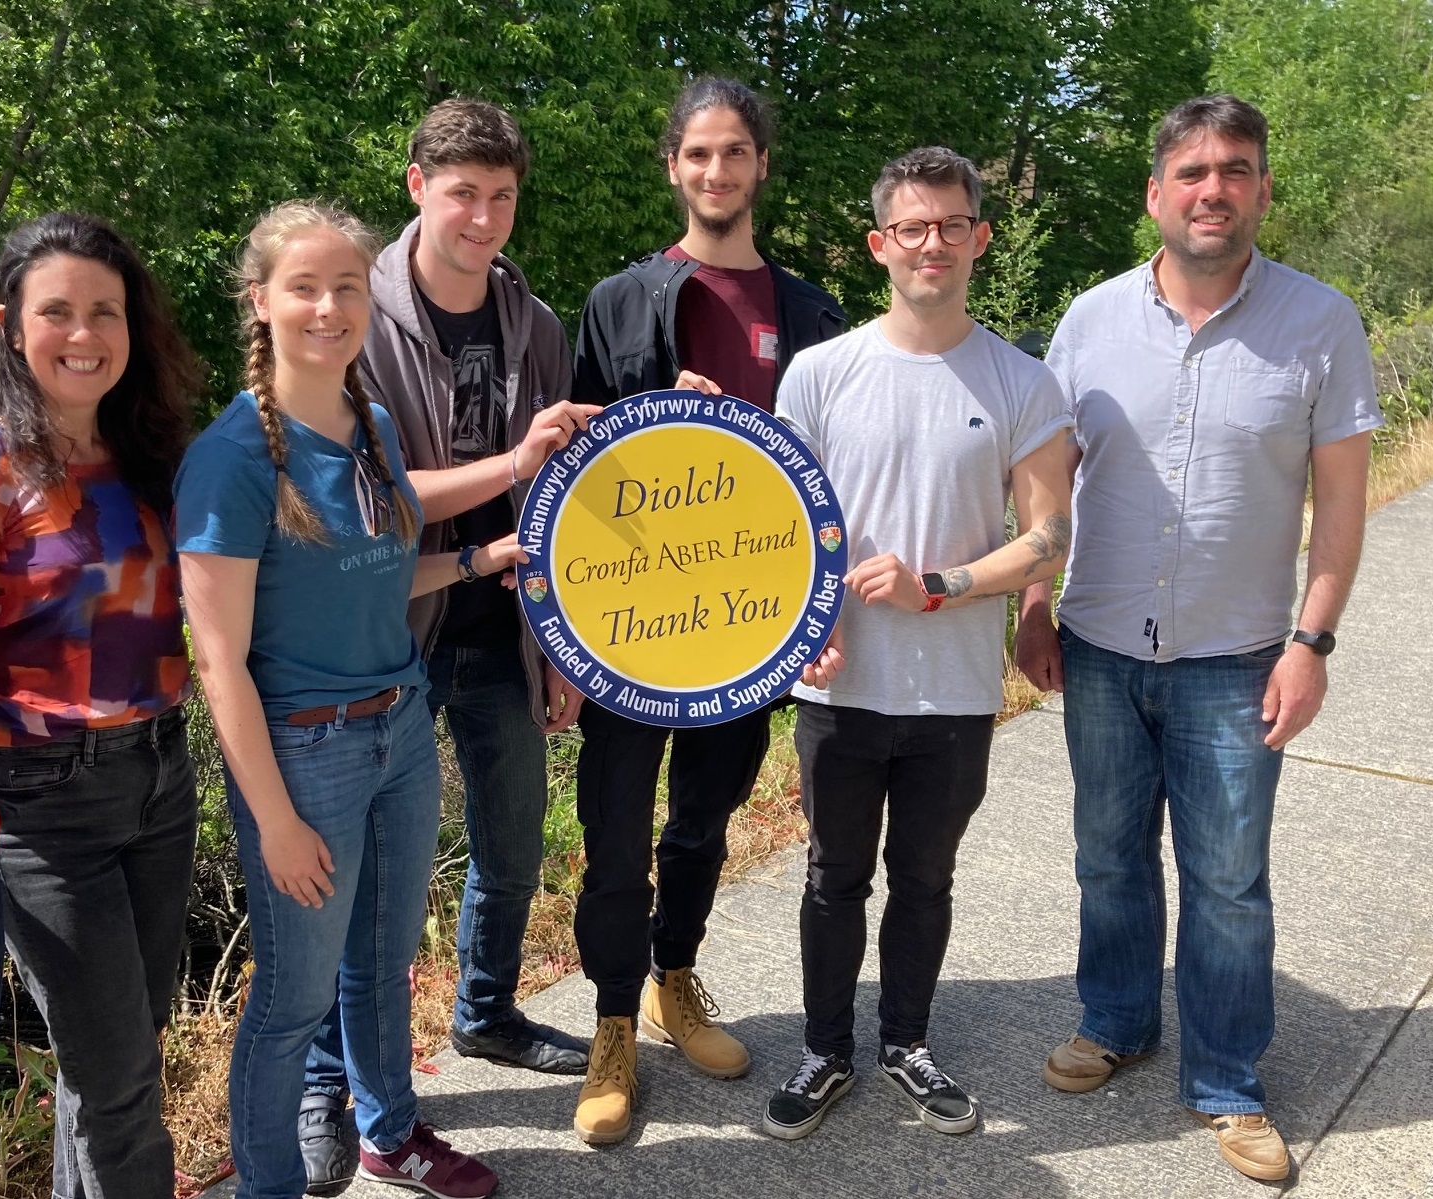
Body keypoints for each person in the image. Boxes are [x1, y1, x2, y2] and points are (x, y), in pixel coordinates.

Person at [1016, 94, 1381, 1183]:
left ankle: (1225, 1079)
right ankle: (1117, 1019)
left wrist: (1312, 640)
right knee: (1107, 856)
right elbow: (1050, 486)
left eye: (1235, 169)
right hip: (1098, 646)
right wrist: (1033, 605)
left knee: (1228, 880)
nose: (1212, 188)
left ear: (1263, 188)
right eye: (1192, 171)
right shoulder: (1087, 320)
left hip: (1239, 656)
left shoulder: (1322, 323)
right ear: (1155, 193)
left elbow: (1344, 505)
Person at [177, 200, 522, 1199]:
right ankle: (269, 1184)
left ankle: (391, 1133)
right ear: (261, 302)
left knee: (382, 963)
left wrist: (477, 557)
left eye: (346, 287)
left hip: (401, 735)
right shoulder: (231, 460)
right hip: (304, 754)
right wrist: (276, 819)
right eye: (303, 287)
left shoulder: (370, 424)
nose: (327, 306)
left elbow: (378, 573)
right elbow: (220, 662)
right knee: (291, 998)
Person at [291, 98, 599, 1190]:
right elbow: (368, 500)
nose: (484, 215)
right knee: (364, 883)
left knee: (513, 843)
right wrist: (512, 467)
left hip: (505, 626)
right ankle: (328, 1080)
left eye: (502, 195)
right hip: (386, 631)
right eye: (463, 191)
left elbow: (565, 493)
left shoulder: (539, 322)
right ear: (417, 185)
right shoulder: (348, 317)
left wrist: (562, 640)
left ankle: (484, 1011)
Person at [767, 147, 1074, 1141]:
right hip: (838, 687)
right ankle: (824, 1050)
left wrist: (937, 586)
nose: (931, 243)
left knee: (926, 878)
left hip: (953, 694)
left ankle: (907, 1042)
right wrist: (799, 631)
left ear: (980, 237)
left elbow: (1046, 536)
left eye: (951, 225)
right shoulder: (817, 372)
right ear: (878, 246)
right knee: (832, 878)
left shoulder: (1023, 380)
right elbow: (782, 533)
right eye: (911, 227)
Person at [567, 75, 847, 1145]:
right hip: (630, 624)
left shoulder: (813, 313)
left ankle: (673, 979)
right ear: (673, 166)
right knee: (614, 829)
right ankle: (608, 1021)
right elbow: (578, 470)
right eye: (698, 155)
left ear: (761, 165)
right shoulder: (620, 299)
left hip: (752, 621)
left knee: (702, 822)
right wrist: (652, 414)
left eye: (735, 153)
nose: (717, 172)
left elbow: (830, 476)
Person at [0, 212, 203, 1199]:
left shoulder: (157, 452)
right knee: (120, 1077)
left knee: (119, 1060)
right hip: (42, 807)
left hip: (164, 781)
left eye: (105, 310)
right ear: (11, 324)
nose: (83, 332)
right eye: (58, 311)